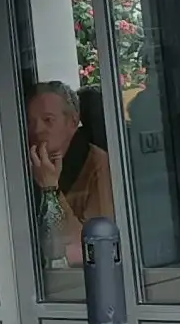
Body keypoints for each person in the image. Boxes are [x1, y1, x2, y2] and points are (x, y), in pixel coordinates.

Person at [24, 81, 115, 267]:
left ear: (73, 121)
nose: (37, 130)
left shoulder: (97, 164)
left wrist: (50, 188)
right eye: (30, 122)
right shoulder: (21, 164)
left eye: (48, 120)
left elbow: (91, 246)